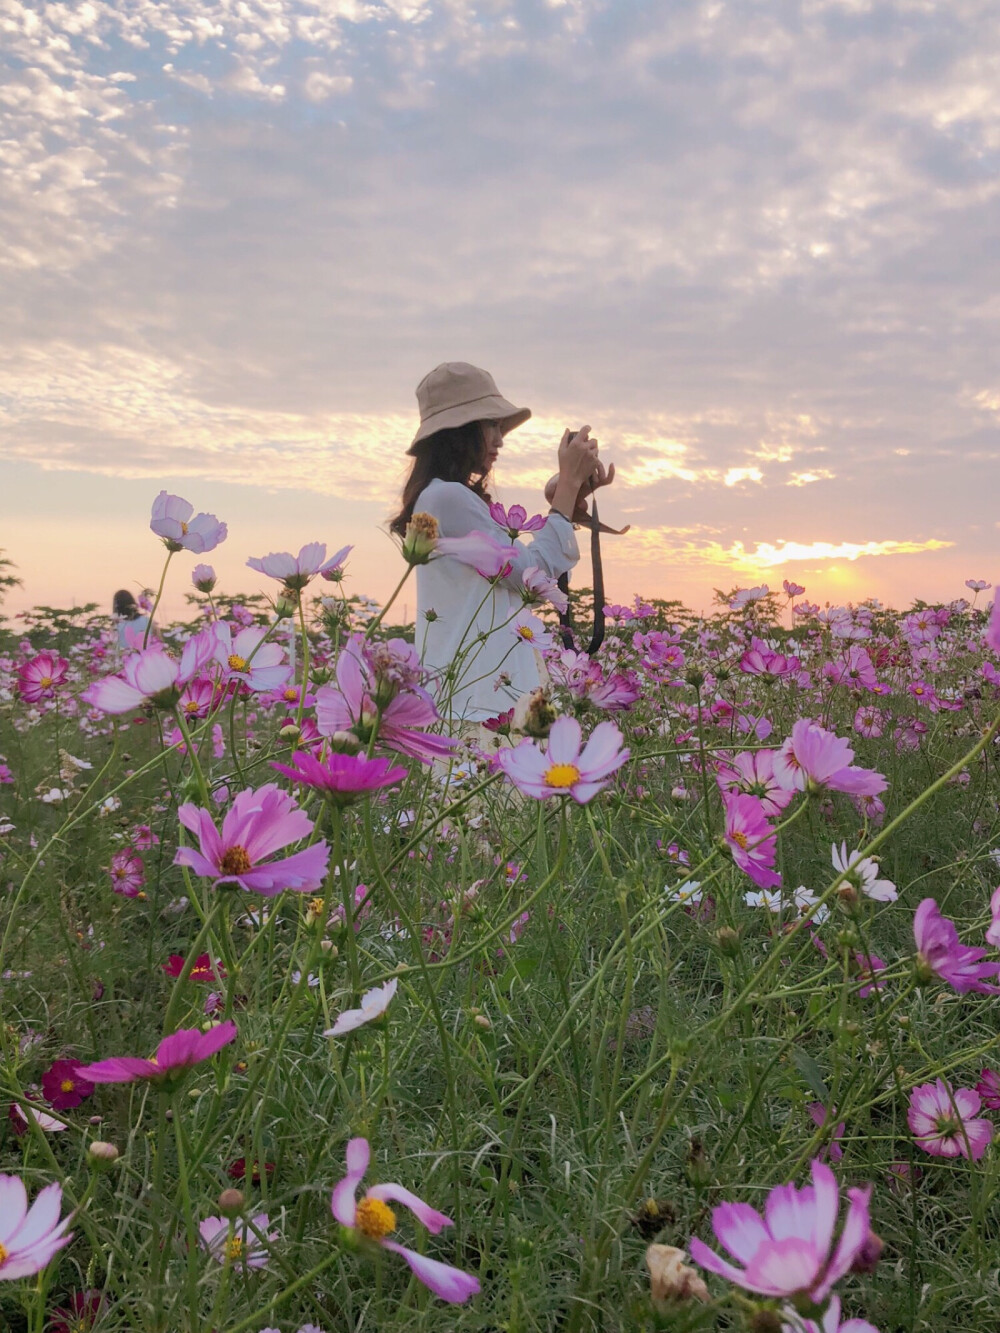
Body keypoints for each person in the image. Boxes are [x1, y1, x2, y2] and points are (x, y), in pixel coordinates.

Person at [390, 361, 614, 725]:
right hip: (480, 708)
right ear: (460, 431)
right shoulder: (447, 498)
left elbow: (519, 566)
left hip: (480, 699)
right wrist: (569, 485)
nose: (499, 439)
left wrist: (565, 502)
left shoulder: (445, 498)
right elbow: (530, 574)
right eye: (490, 425)